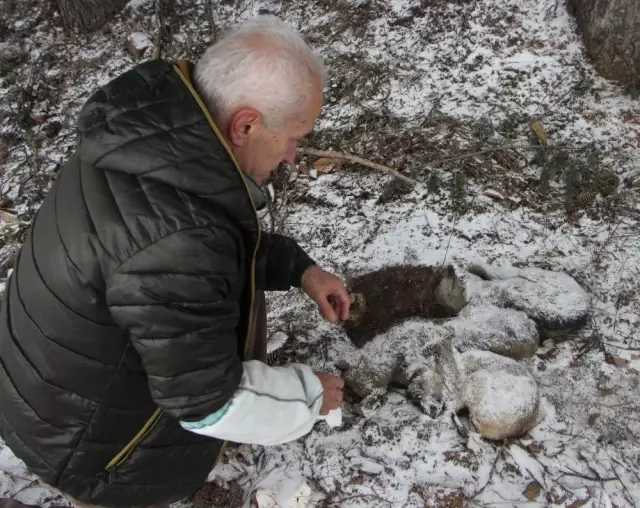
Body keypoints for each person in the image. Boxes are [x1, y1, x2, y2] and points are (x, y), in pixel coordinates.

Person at [0, 15, 350, 508]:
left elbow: (188, 250)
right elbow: (207, 403)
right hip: (91, 453)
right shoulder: (178, 234)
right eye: (294, 136)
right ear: (245, 124)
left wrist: (298, 269)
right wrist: (308, 396)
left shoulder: (145, 138)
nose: (294, 155)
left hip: (42, 397)